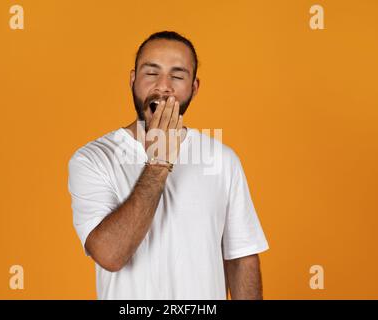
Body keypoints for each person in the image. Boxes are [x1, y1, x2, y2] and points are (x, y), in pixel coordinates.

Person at [68, 31, 269, 299]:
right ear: (133, 80)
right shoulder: (94, 158)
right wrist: (159, 162)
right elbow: (110, 255)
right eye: (151, 73)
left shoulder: (222, 159)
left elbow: (241, 259)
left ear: (194, 88)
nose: (164, 86)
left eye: (177, 76)